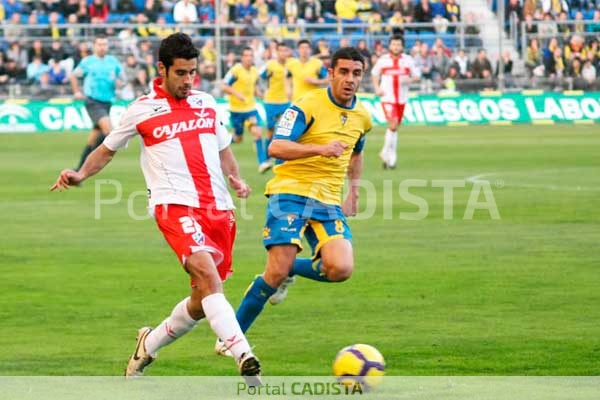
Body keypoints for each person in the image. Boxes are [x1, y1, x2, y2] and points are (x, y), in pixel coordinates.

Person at [51, 32, 262, 384]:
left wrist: (236, 179)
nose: (188, 80)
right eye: (181, 73)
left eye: (193, 72)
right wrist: (81, 173)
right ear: (161, 69)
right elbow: (107, 149)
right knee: (210, 279)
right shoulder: (142, 109)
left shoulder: (207, 103)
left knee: (201, 300)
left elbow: (223, 148)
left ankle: (148, 343)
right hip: (174, 206)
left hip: (218, 210)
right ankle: (243, 353)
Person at [215, 46, 372, 355]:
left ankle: (292, 270)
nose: (350, 79)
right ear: (330, 73)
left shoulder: (362, 117)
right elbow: (276, 147)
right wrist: (319, 149)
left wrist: (353, 192)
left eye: (356, 73)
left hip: (327, 201)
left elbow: (357, 152)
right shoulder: (306, 105)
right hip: (290, 191)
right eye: (343, 72)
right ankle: (232, 338)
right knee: (273, 271)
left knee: (340, 268)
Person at [70, 35, 124, 171]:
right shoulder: (88, 62)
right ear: (94, 46)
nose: (102, 47)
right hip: (93, 101)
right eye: (99, 44)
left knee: (93, 140)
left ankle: (79, 170)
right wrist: (76, 91)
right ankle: (93, 163)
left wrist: (120, 84)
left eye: (104, 44)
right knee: (109, 132)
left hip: (107, 103)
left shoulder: (113, 62)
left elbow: (123, 79)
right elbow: (74, 75)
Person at [371, 35, 420, 170]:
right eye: (393, 44)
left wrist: (409, 80)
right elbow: (374, 73)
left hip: (402, 98)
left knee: (394, 128)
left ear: (402, 46)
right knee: (392, 124)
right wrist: (377, 88)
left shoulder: (408, 60)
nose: (396, 47)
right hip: (387, 97)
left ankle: (391, 159)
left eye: (398, 45)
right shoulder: (383, 60)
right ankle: (384, 152)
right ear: (390, 46)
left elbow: (417, 76)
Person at [222, 46, 272, 174]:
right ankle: (223, 141)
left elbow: (253, 87)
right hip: (236, 110)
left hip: (250, 108)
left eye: (251, 55)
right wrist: (237, 94)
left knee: (257, 132)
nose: (249, 58)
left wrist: (259, 94)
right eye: (247, 55)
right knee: (238, 139)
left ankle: (262, 163)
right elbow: (224, 86)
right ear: (242, 58)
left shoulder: (255, 71)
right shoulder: (236, 71)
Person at [258, 41, 292, 152]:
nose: (283, 53)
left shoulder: (292, 64)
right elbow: (259, 77)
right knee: (270, 131)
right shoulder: (270, 65)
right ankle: (267, 156)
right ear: (276, 52)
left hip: (287, 102)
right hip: (271, 101)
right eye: (280, 51)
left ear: (288, 52)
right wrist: (260, 91)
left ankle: (282, 157)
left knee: (286, 131)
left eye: (285, 51)